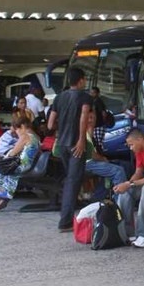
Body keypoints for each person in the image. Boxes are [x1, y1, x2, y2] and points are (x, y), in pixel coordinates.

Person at [49, 67, 92, 232]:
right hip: (75, 145)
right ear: (80, 80)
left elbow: (51, 123)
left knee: (71, 179)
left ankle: (68, 215)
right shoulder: (85, 97)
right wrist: (81, 139)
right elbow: (84, 117)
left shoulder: (59, 97)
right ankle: (65, 221)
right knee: (72, 182)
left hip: (62, 145)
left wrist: (61, 130)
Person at [0, 116, 40, 212]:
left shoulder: (25, 136)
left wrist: (5, 157)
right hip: (29, 164)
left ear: (22, 126)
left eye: (17, 129)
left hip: (22, 165)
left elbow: (12, 153)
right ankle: (3, 197)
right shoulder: (35, 136)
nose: (17, 132)